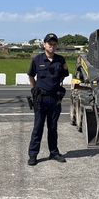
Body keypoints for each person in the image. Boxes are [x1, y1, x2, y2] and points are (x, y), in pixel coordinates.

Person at [27, 33, 69, 166]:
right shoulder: (37, 60)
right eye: (49, 44)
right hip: (41, 99)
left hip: (55, 99)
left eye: (54, 44)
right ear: (44, 45)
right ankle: (33, 155)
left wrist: (55, 86)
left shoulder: (61, 60)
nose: (52, 46)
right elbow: (31, 76)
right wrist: (35, 90)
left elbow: (64, 75)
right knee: (38, 127)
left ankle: (54, 152)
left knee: (53, 127)